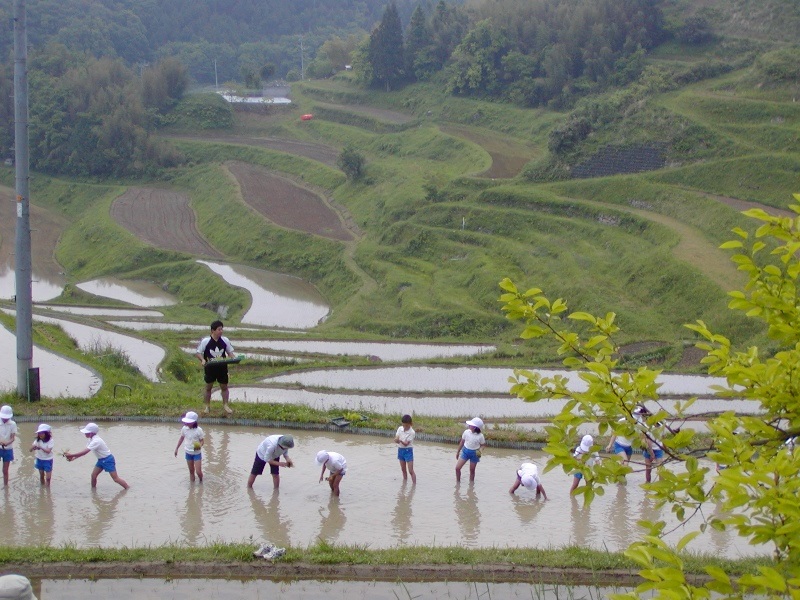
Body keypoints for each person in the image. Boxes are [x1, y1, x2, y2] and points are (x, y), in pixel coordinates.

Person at [64, 423, 129, 489]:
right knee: (93, 476)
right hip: (101, 460)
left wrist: (71, 455)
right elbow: (84, 451)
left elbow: (85, 452)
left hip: (108, 460)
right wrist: (73, 458)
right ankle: (93, 492)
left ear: (92, 433)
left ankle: (127, 488)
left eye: (87, 432)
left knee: (115, 479)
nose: (85, 434)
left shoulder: (96, 441)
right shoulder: (90, 439)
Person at [196, 320, 236, 415]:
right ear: (212, 331)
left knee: (224, 386)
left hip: (222, 367)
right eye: (219, 329)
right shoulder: (206, 341)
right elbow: (198, 353)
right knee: (208, 387)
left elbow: (230, 353)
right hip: (210, 367)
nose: (221, 331)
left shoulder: (225, 340)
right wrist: (202, 360)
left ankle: (226, 405)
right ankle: (207, 406)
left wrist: (234, 358)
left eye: (222, 329)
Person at [634, 405, 664, 483]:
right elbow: (647, 442)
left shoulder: (662, 426)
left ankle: (659, 484)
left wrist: (665, 449)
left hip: (658, 450)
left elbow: (663, 439)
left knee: (658, 469)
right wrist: (652, 454)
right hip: (648, 449)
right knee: (650, 469)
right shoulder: (647, 427)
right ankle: (648, 484)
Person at [174, 411, 204, 483]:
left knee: (198, 472)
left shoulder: (199, 430)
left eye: (188, 422)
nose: (186, 423)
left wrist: (199, 445)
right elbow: (181, 438)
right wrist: (176, 448)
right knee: (191, 471)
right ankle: (192, 487)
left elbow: (202, 441)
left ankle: (201, 481)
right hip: (188, 452)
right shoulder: (184, 429)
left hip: (197, 453)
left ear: (193, 422)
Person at [455, 417, 486, 483]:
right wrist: (458, 452)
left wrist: (480, 451)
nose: (469, 425)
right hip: (465, 452)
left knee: (472, 470)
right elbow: (462, 442)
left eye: (471, 425)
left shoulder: (480, 436)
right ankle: (458, 483)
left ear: (475, 427)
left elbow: (483, 445)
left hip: (475, 454)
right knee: (457, 468)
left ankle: (471, 485)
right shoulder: (466, 432)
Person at [394, 414, 416, 484]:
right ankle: (404, 484)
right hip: (400, 450)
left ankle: (414, 485)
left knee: (410, 470)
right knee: (403, 470)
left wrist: (399, 441)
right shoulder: (400, 428)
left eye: (406, 425)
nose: (405, 427)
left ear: (411, 424)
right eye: (403, 425)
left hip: (408, 451)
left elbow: (406, 444)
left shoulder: (412, 432)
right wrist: (396, 439)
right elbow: (396, 437)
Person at [0, 405, 17, 487]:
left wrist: (7, 443)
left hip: (8, 449)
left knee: (5, 470)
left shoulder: (12, 424)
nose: (5, 419)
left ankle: (6, 486)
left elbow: (13, 438)